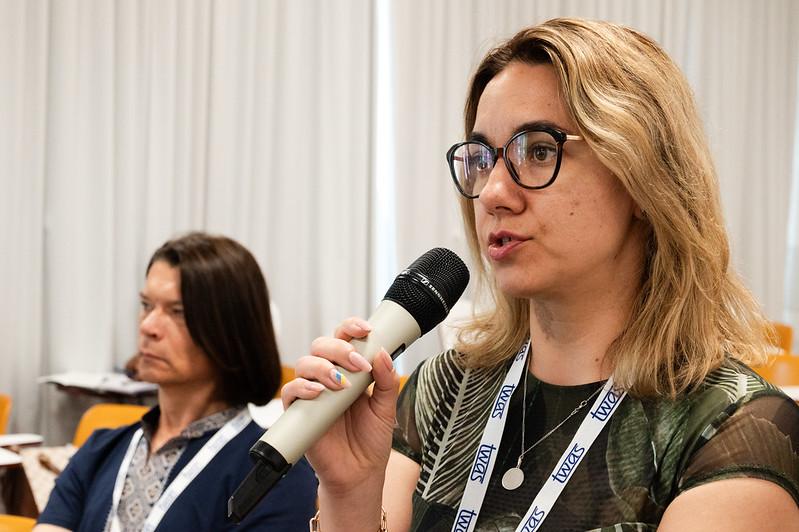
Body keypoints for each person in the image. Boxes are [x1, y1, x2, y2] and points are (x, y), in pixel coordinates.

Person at [283, 18, 799, 532]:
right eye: (483, 158)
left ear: (643, 179)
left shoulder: (733, 427)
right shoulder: (446, 388)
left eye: (539, 151)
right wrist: (349, 494)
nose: (492, 193)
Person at [36, 232, 317, 531]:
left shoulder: (271, 472)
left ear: (231, 330)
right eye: (146, 305)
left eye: (177, 312)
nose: (148, 326)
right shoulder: (99, 450)